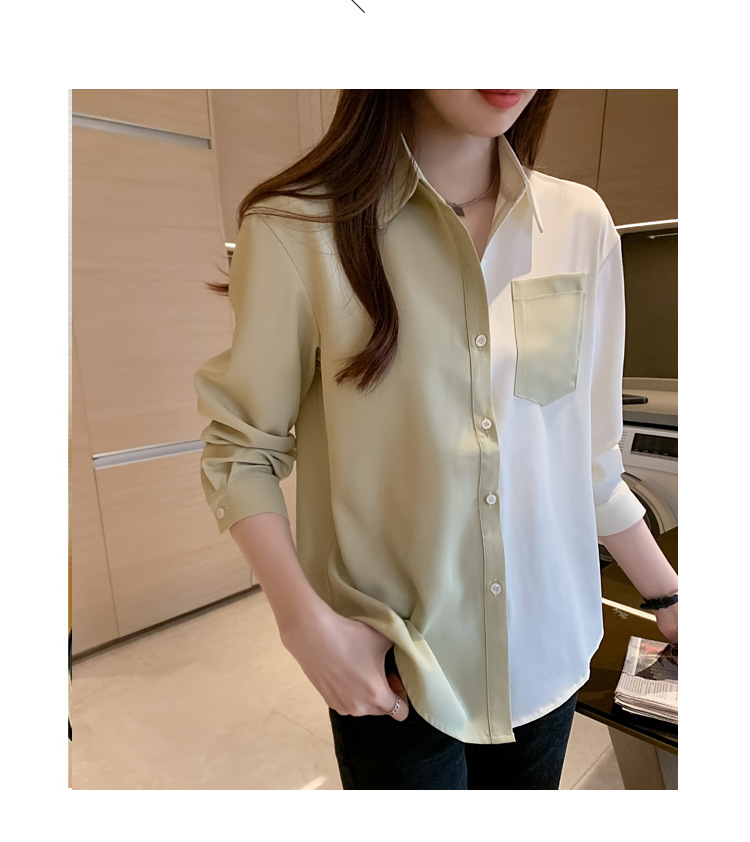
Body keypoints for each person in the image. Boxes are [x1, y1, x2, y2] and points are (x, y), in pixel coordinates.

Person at [194, 90, 678, 790]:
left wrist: (668, 598)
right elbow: (242, 452)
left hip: (546, 648)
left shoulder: (581, 223)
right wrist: (304, 625)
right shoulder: (296, 228)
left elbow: (587, 457)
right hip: (394, 667)